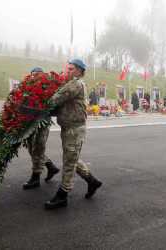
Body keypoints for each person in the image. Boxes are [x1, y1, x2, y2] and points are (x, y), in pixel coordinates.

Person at [45, 59, 102, 209]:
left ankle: (62, 196)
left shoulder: (75, 84)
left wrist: (41, 105)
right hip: (71, 128)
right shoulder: (74, 83)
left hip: (74, 129)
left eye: (71, 69)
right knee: (72, 157)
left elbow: (57, 98)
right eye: (68, 69)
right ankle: (91, 180)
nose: (67, 71)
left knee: (69, 162)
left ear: (79, 72)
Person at [23, 67, 60, 189]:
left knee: (38, 148)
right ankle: (50, 166)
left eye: (38, 75)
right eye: (33, 74)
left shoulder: (48, 89)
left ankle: (35, 178)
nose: (35, 77)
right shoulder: (27, 90)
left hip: (42, 121)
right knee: (31, 149)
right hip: (30, 122)